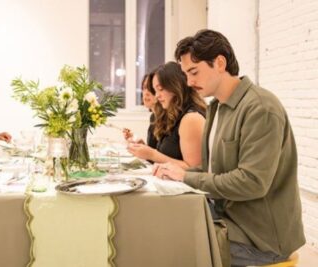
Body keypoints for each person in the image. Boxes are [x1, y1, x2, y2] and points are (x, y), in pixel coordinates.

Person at [154, 29, 305, 267]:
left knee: (170, 245)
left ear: (220, 63)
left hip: (260, 240)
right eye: (185, 74)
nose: (189, 82)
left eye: (194, 72)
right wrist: (179, 175)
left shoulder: (261, 108)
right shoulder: (218, 108)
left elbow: (251, 182)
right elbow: (217, 168)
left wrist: (187, 177)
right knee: (162, 222)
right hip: (229, 218)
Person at [128, 62, 206, 169]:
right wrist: (145, 151)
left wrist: (152, 154)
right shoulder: (173, 115)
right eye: (155, 91)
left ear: (175, 86)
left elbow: (194, 170)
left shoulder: (191, 119)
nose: (157, 96)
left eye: (160, 89)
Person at [123, 72, 159, 149]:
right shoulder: (153, 117)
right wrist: (140, 144)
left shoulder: (167, 119)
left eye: (150, 88)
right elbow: (154, 152)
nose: (146, 93)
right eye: (144, 88)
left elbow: (160, 155)